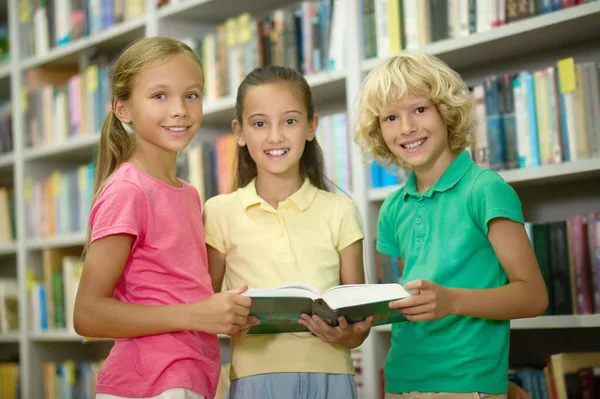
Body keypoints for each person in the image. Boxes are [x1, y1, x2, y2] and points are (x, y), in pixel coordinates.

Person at [353, 53, 547, 399]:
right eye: (391, 117)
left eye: (420, 110)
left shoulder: (484, 189)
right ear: (378, 130)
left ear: (446, 111)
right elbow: (417, 298)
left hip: (466, 383)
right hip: (401, 381)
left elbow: (533, 297)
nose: (407, 128)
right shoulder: (393, 208)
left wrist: (451, 301)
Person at [73, 37, 255, 399]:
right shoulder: (128, 190)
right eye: (159, 96)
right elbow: (87, 314)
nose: (180, 110)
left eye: (191, 94)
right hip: (150, 384)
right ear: (123, 109)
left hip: (191, 378)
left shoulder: (188, 194)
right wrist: (196, 315)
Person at [203, 65, 372, 399]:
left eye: (290, 121)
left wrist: (346, 337)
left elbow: (358, 320)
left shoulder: (340, 210)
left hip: (332, 377)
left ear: (311, 126)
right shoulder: (219, 211)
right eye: (260, 123)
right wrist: (229, 318)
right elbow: (206, 309)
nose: (275, 136)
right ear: (239, 132)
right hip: (254, 379)